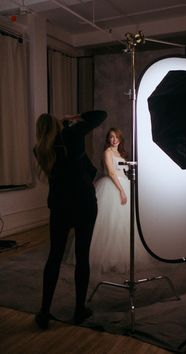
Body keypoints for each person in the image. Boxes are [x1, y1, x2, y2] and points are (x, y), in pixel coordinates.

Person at [34, 110, 107, 329]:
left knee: (54, 256)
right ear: (57, 124)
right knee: (81, 256)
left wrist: (64, 128)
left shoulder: (39, 149)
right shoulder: (72, 135)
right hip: (83, 203)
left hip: (59, 206)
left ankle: (44, 311)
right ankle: (79, 310)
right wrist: (75, 118)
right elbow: (100, 115)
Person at [64, 127, 155, 283]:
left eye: (117, 137)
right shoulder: (107, 152)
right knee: (108, 223)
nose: (114, 140)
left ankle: (120, 257)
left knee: (124, 224)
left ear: (120, 139)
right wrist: (121, 191)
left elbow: (123, 172)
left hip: (124, 185)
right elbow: (112, 173)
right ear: (108, 139)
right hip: (112, 186)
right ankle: (107, 258)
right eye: (111, 137)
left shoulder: (121, 154)